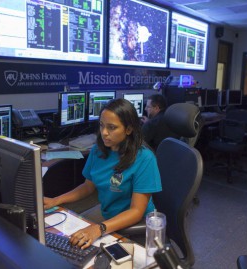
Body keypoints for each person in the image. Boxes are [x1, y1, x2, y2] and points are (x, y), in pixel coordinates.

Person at [44, 98, 162, 249]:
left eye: (112, 127)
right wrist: (56, 200)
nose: (104, 133)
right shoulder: (98, 150)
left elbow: (136, 211)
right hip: (108, 214)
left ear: (128, 129)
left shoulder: (145, 158)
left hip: (136, 223)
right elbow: (88, 186)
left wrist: (98, 229)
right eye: (101, 125)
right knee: (69, 240)